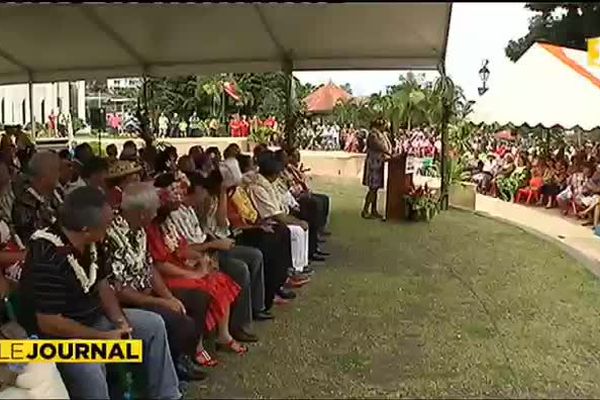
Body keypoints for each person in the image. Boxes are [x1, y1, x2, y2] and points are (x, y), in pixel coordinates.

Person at [17, 186, 182, 399]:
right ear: (86, 228)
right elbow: (50, 323)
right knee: (90, 365)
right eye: (105, 225)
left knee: (152, 325)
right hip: (56, 339)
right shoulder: (46, 254)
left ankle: (168, 395)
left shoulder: (92, 242)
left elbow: (103, 285)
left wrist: (120, 322)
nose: (110, 228)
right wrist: (103, 338)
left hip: (93, 319)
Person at [104, 183, 207, 381]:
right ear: (142, 214)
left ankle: (185, 356)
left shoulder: (139, 229)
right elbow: (118, 288)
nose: (155, 215)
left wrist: (169, 297)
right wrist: (161, 302)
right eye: (153, 211)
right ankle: (172, 369)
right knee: (178, 322)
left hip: (146, 291)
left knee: (197, 298)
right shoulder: (112, 236)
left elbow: (149, 267)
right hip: (127, 301)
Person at [147, 176, 249, 365]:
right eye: (174, 194)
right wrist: (194, 273)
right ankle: (197, 346)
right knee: (204, 287)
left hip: (180, 266)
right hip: (167, 275)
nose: (179, 197)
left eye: (180, 192)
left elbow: (182, 248)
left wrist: (201, 260)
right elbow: (159, 264)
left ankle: (223, 335)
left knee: (219, 279)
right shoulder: (151, 227)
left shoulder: (167, 221)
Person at [12, 151, 63, 244]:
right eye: (57, 170)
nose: (59, 174)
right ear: (45, 175)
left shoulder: (57, 194)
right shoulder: (25, 204)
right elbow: (34, 239)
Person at [361, 117, 392, 219]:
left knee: (376, 188)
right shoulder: (373, 135)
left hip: (378, 162)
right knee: (372, 188)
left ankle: (374, 210)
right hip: (373, 163)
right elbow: (382, 147)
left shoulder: (380, 134)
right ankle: (365, 210)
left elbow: (388, 147)